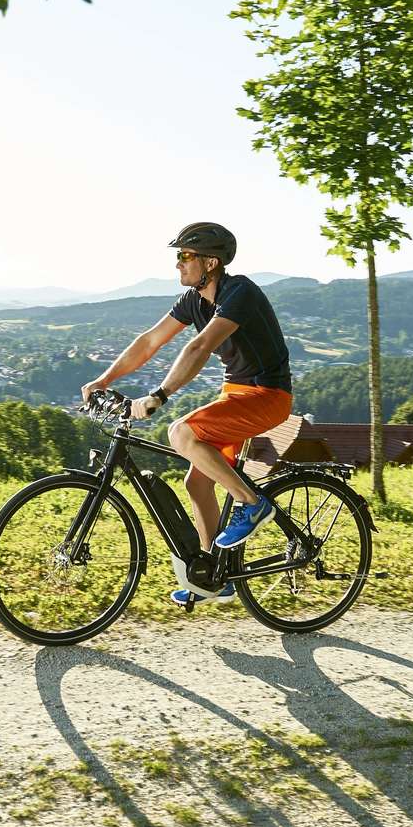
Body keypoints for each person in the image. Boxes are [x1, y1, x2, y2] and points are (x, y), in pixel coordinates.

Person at [80, 222, 294, 606]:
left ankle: (253, 503)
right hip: (236, 395)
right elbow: (149, 341)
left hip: (268, 395)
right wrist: (104, 379)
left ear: (210, 263)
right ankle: (215, 577)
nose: (178, 264)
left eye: (184, 256)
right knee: (197, 483)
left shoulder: (238, 292)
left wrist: (158, 395)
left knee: (181, 433)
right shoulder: (194, 301)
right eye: (177, 256)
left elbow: (199, 347)